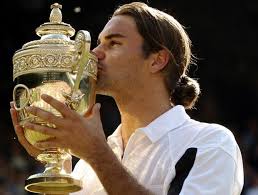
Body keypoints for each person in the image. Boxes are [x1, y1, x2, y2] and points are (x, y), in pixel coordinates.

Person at [10, 2, 244, 195]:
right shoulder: (84, 169)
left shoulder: (210, 144)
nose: (94, 54)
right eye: (99, 42)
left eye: (114, 43)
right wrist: (56, 160)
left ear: (157, 60)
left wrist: (96, 154)